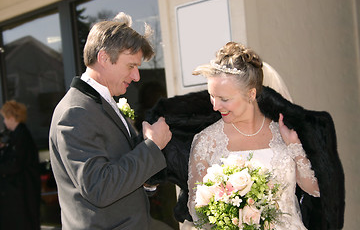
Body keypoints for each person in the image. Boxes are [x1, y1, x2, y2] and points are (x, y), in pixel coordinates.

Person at [144, 41, 344, 229]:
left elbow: (314, 189)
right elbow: (197, 209)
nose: (215, 105)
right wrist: (228, 214)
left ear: (251, 94)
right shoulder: (206, 140)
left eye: (224, 98)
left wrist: (294, 146)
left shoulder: (283, 132)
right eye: (211, 96)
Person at [49, 12, 172, 230]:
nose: (137, 77)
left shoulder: (102, 104)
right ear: (104, 58)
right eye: (131, 66)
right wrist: (153, 147)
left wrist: (147, 178)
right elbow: (99, 188)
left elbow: (117, 167)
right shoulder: (75, 112)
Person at [0, 100, 40, 230]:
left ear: (11, 118)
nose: (4, 122)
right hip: (22, 192)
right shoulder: (19, 134)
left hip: (22, 193)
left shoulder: (20, 136)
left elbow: (15, 164)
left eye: (5, 118)